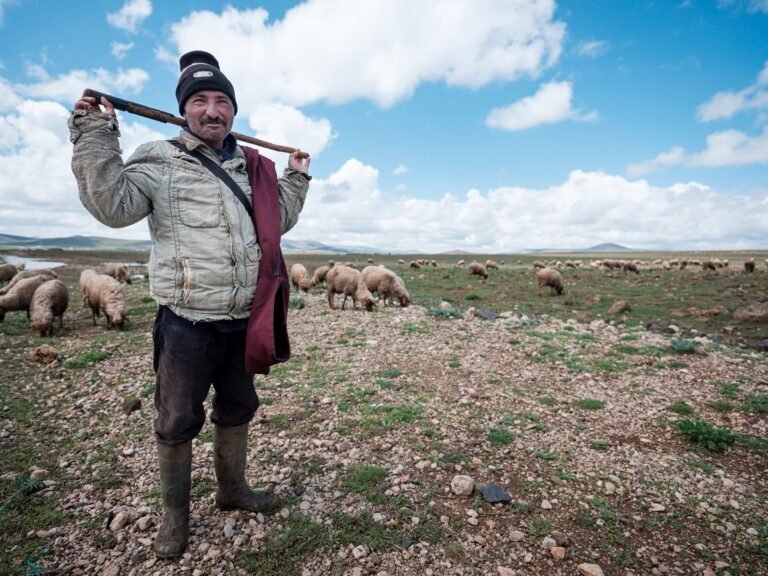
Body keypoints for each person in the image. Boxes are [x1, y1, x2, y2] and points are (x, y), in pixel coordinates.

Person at [68, 50, 311, 559]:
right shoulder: (159, 159)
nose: (212, 110)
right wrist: (94, 133)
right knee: (177, 419)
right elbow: (113, 207)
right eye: (200, 100)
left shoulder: (253, 166)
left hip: (245, 319)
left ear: (233, 111)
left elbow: (274, 223)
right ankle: (175, 516)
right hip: (186, 322)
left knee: (239, 406)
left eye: (222, 100)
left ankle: (232, 490)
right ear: (184, 110)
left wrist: (295, 178)